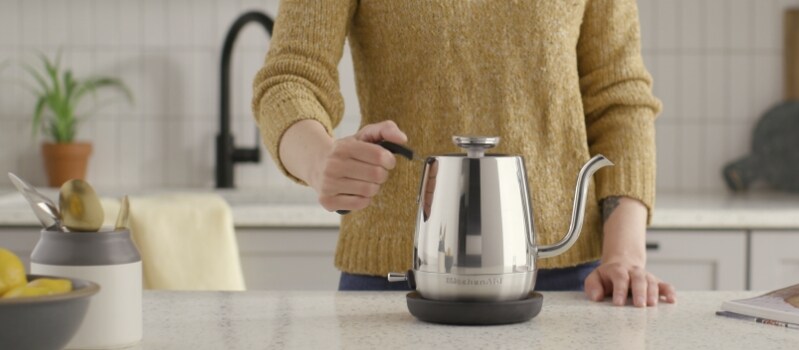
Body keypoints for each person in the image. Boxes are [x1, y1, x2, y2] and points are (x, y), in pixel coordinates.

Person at [253, 0, 676, 307]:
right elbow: (290, 78)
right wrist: (319, 160)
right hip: (398, 286)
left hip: (565, 284)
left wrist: (623, 255)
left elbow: (619, 101)